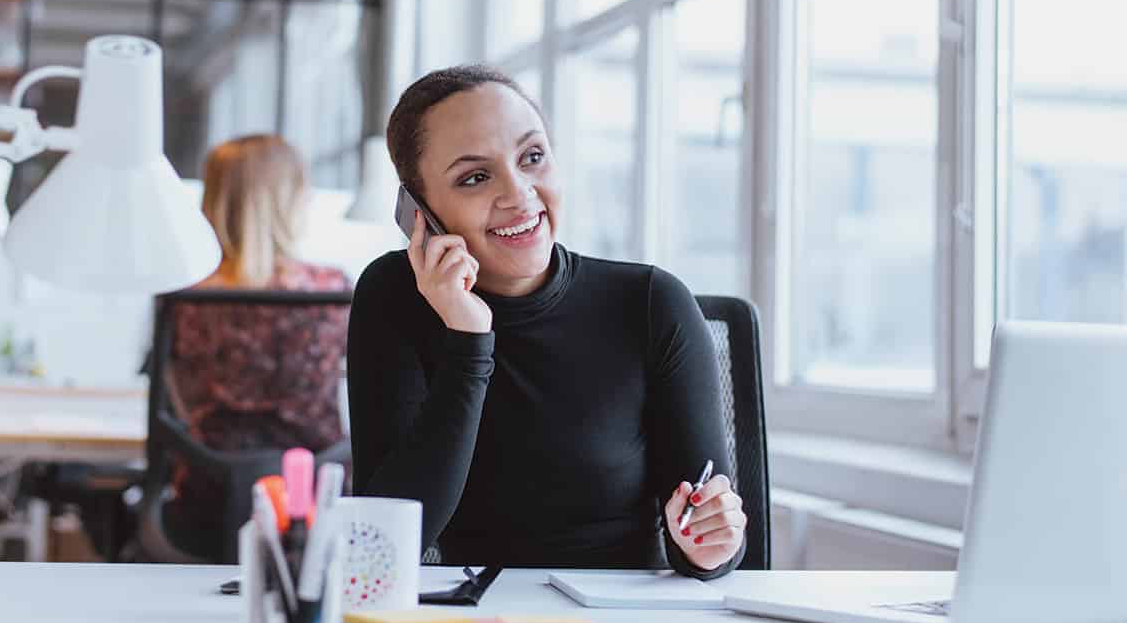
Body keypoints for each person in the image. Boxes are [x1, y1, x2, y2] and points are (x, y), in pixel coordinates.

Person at [347, 66, 747, 577]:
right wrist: (469, 339)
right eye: (475, 176)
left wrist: (709, 546)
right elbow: (383, 547)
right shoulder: (395, 297)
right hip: (475, 617)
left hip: (618, 616)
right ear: (420, 210)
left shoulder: (651, 303)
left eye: (532, 157)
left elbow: (708, 531)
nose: (519, 194)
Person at [163, 134, 350, 558]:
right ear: (292, 200)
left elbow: (177, 397)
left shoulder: (185, 294)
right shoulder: (331, 288)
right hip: (312, 500)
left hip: (209, 498)